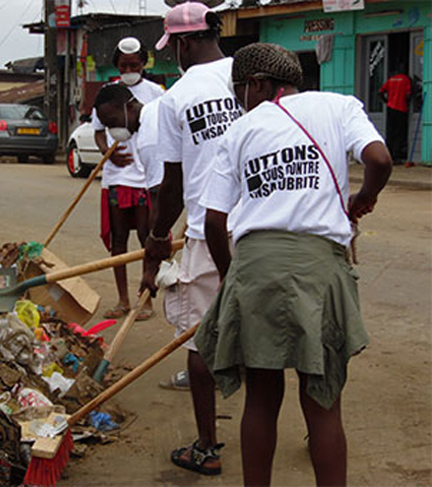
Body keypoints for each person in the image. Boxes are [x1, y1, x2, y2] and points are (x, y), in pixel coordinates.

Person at [195, 43, 393, 486]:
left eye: (240, 91)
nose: (238, 102)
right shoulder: (340, 107)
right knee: (322, 400)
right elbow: (379, 159)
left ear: (260, 84)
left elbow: (213, 221)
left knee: (262, 398)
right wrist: (365, 197)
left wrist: (232, 279)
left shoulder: (240, 131)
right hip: (319, 268)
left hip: (255, 266)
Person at [140, 2, 242, 476]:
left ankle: (207, 446)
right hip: (263, 227)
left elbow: (172, 185)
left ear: (182, 43)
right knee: (270, 331)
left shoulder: (174, 99)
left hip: (208, 229)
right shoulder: (252, 76)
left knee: (201, 339)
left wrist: (157, 237)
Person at [91, 36, 165, 321]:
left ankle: (145, 298)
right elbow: (98, 131)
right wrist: (107, 154)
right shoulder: (108, 93)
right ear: (117, 66)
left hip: (146, 178)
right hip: (117, 177)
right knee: (118, 241)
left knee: (147, 238)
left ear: (144, 63)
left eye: (134, 64)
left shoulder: (156, 93)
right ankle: (122, 300)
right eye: (124, 65)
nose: (129, 69)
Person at [379, 64, 411, 163]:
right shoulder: (406, 79)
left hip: (390, 108)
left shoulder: (391, 79)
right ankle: (396, 157)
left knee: (390, 132)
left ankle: (389, 155)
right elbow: (408, 94)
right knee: (399, 133)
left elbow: (380, 92)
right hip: (401, 109)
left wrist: (386, 101)